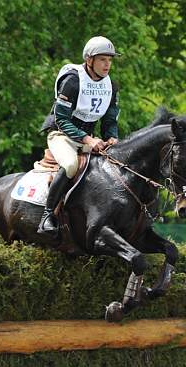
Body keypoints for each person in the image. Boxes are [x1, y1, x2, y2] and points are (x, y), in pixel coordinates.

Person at [37, 36, 121, 237]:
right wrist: (88, 139)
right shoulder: (73, 81)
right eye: (102, 59)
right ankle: (47, 216)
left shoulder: (111, 86)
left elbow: (110, 119)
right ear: (89, 60)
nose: (107, 64)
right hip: (61, 135)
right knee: (71, 165)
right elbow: (62, 119)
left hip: (87, 139)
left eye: (110, 60)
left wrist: (112, 137)